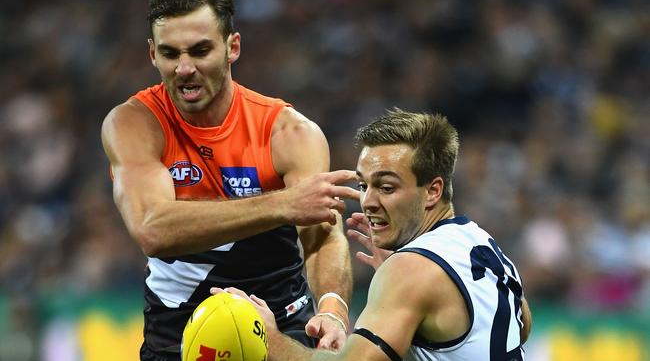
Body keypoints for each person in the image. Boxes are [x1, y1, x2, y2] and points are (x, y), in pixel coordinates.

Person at [100, 0, 359, 360]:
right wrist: (283, 203)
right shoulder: (133, 124)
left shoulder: (289, 133)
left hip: (281, 331)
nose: (184, 68)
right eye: (171, 53)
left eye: (200, 50)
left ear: (232, 47)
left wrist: (333, 308)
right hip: (178, 339)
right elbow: (152, 229)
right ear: (152, 55)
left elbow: (322, 236)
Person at [217, 108, 532, 360]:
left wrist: (271, 341)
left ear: (433, 190)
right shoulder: (481, 243)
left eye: (386, 187)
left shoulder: (413, 269)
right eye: (363, 185)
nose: (367, 201)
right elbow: (521, 328)